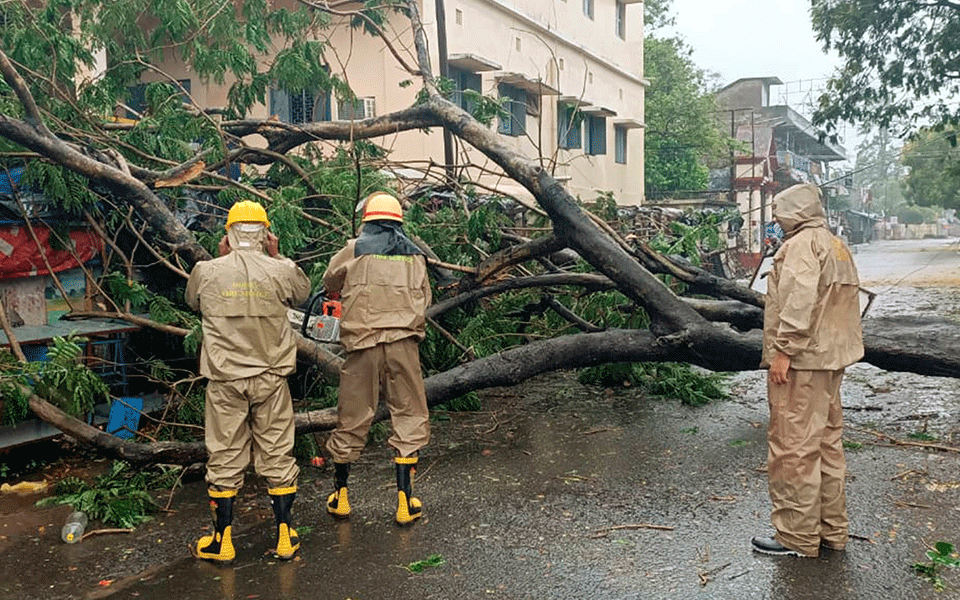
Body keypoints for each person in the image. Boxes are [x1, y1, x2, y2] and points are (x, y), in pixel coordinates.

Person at [185, 200, 312, 562]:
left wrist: (220, 258)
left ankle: (221, 541)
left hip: (225, 380)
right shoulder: (281, 269)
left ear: (227, 235)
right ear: (266, 235)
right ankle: (286, 535)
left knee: (224, 456)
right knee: (277, 453)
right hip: (271, 378)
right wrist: (277, 255)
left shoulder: (206, 270)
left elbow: (193, 301)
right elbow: (302, 294)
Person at [752, 183, 864, 558]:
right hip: (831, 362)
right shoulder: (836, 244)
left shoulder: (800, 246)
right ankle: (833, 531)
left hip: (802, 361)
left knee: (793, 449)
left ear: (792, 212)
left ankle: (796, 537)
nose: (776, 220)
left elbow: (799, 301)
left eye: (779, 212)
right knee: (827, 445)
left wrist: (783, 351)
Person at [322, 191, 431, 525]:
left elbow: (330, 282)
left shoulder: (355, 248)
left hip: (363, 346)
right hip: (403, 344)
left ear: (367, 219)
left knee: (352, 417)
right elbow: (424, 298)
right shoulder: (415, 255)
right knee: (410, 415)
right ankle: (405, 499)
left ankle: (340, 496)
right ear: (398, 220)